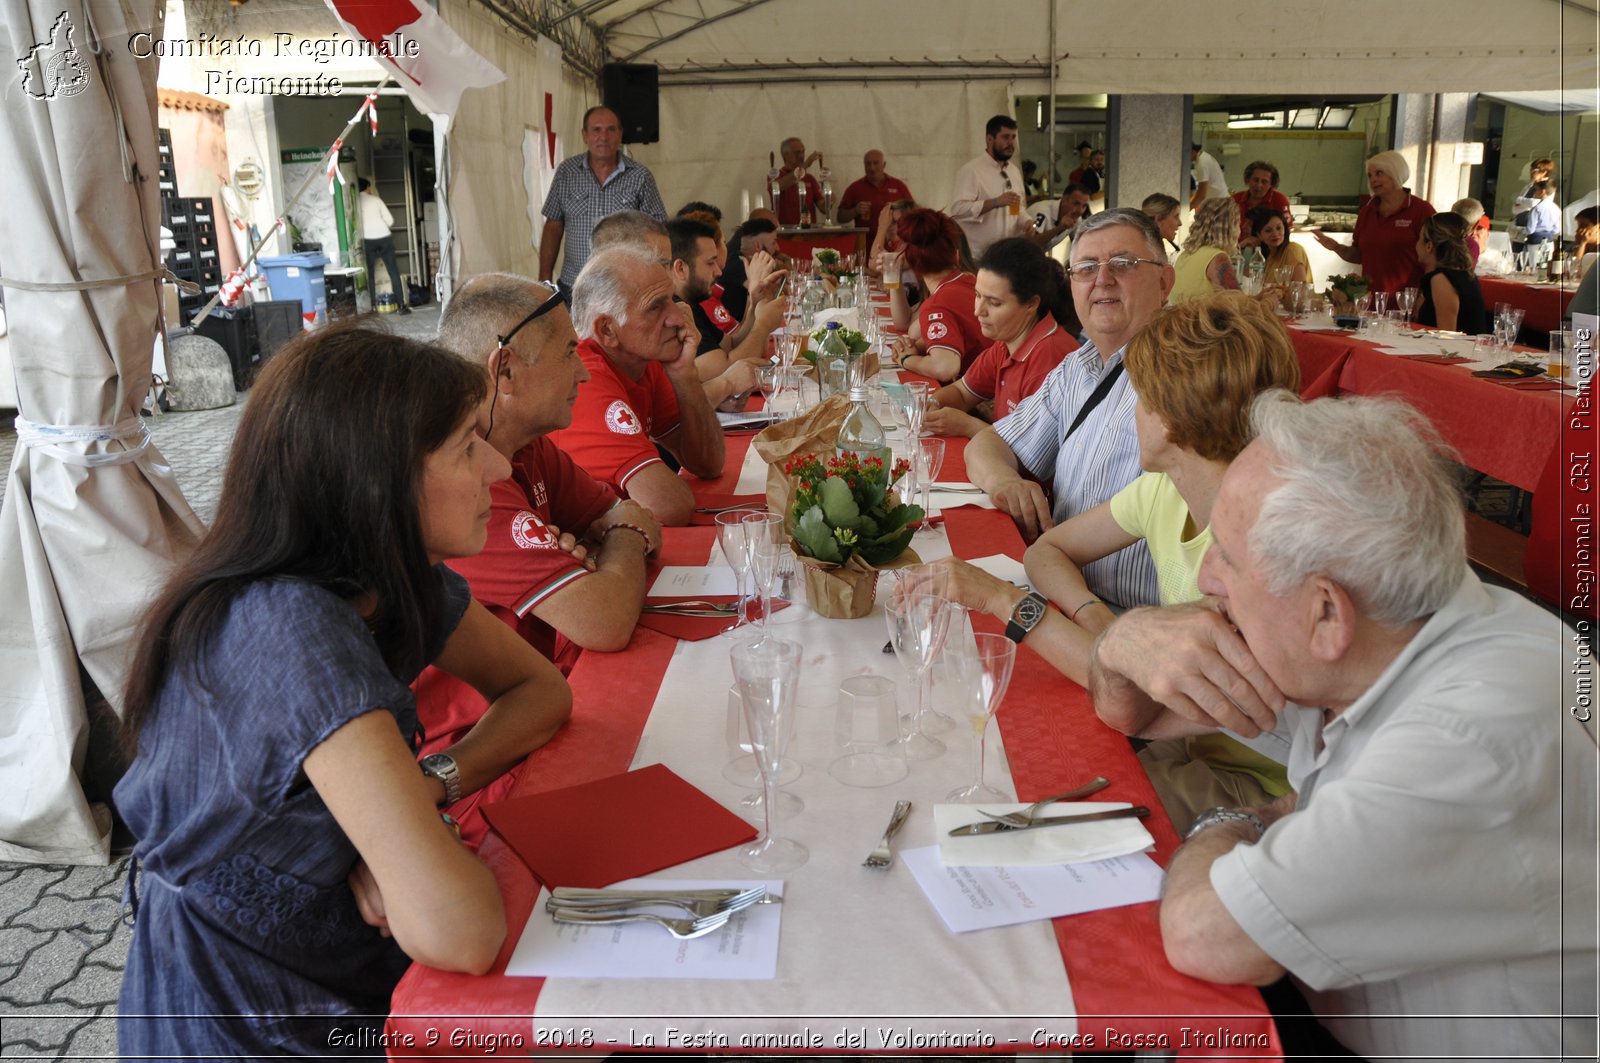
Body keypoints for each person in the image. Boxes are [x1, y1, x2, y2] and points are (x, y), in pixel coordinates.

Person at [1089, 390, 1595, 1062]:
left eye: (1229, 559)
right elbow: (1135, 711)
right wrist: (1124, 642)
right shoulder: (1370, 635)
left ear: (1327, 611)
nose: (1206, 578)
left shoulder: (1470, 738)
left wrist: (1231, 822)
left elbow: (1202, 932)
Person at [114, 326, 572, 1056]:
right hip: (252, 1018)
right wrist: (416, 844)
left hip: (332, 978)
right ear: (375, 479)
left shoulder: (394, 581)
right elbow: (461, 929)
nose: (494, 465)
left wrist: (426, 790)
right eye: (464, 445)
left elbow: (540, 689)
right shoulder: (293, 630)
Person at [933, 292, 1297, 703]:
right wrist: (1097, 617)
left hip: (1223, 761)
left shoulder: (1260, 542)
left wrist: (1001, 599)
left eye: (1140, 398)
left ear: (1170, 421)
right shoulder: (1166, 489)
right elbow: (1045, 552)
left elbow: (1133, 696)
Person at [413, 276, 661, 845]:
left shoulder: (527, 449)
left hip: (536, 723)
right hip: (488, 772)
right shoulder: (460, 490)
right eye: (570, 353)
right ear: (504, 370)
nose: (582, 371)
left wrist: (611, 541)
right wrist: (617, 540)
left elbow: (641, 515)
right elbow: (604, 618)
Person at [965, 207, 1175, 608]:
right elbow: (987, 444)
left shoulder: (1185, 374)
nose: (1103, 279)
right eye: (1086, 267)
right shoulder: (1077, 367)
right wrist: (1004, 483)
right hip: (1060, 588)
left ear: (1165, 282)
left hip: (1132, 619)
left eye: (1123, 264)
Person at [549, 246, 726, 526]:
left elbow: (708, 463)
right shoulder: (586, 378)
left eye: (671, 299)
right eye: (655, 307)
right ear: (607, 330)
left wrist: (685, 375)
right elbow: (669, 507)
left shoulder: (641, 359)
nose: (679, 318)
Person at [923, 237, 1080, 439]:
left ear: (1031, 304)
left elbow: (1033, 455)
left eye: (994, 303)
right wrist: (934, 404)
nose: (978, 311)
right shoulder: (1007, 342)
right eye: (978, 296)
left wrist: (968, 426)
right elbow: (962, 392)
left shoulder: (1050, 358)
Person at [539, 106, 668, 290]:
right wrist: (545, 278)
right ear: (585, 135)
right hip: (573, 285)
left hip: (623, 285)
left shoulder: (640, 176)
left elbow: (658, 230)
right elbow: (553, 225)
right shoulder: (567, 172)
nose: (604, 137)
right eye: (596, 130)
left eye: (610, 129)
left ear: (620, 134)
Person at [664, 216, 778, 401]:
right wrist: (764, 324)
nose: (718, 271)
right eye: (710, 263)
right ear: (680, 268)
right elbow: (725, 370)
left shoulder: (691, 304)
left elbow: (732, 344)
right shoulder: (675, 311)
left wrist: (755, 303)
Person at [880, 208, 987, 382]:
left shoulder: (939, 302)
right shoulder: (967, 280)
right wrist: (915, 346)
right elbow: (914, 330)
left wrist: (907, 360)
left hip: (982, 396)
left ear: (912, 262)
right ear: (956, 256)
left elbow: (945, 368)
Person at [1313, 149, 1434, 296]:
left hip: (1408, 301)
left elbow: (1435, 259)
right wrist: (1336, 247)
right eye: (1370, 175)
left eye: (1379, 173)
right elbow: (1359, 256)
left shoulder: (1421, 210)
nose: (1373, 180)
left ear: (1396, 172)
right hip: (1370, 300)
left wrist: (1424, 296)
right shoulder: (1367, 212)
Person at [949, 114, 1032, 260]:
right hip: (977, 257)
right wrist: (994, 203)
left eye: (1013, 137)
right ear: (989, 139)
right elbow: (958, 210)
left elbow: (1016, 208)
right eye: (1005, 137)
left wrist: (1027, 221)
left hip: (1007, 255)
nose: (1011, 143)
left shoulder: (1013, 171)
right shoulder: (971, 171)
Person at [1415, 212, 1489, 334]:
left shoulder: (1442, 279)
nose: (1416, 244)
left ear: (1429, 246)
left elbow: (1446, 335)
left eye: (1419, 239)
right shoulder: (1463, 274)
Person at [1168, 197, 1241, 304]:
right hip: (1199, 320)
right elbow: (1240, 303)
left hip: (1179, 318)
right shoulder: (1217, 258)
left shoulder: (1186, 254)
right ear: (1231, 226)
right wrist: (1268, 300)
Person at [357, 177, 410, 314]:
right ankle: (401, 306)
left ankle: (373, 307)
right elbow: (390, 220)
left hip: (367, 240)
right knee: (393, 271)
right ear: (368, 187)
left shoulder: (355, 202)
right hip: (384, 238)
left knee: (370, 274)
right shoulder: (376, 200)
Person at [836, 149, 914, 233]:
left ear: (884, 165)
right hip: (865, 242)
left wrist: (896, 212)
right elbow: (840, 217)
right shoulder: (854, 188)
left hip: (894, 240)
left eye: (876, 163)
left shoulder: (898, 185)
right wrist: (855, 210)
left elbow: (913, 211)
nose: (872, 168)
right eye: (868, 164)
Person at [1231, 161, 1294, 244]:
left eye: (1264, 182)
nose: (1258, 185)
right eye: (1255, 180)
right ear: (1248, 180)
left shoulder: (1279, 199)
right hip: (1239, 248)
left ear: (1271, 184)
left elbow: (1287, 230)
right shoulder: (1235, 199)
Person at [1246, 206, 1311, 287]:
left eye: (1278, 228)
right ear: (1259, 235)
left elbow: (1300, 287)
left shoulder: (1292, 249)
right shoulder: (1270, 257)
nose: (1275, 234)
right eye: (1268, 230)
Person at [1029, 183, 1092, 257]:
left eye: (1084, 206)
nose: (1080, 210)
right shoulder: (1042, 211)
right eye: (1076, 203)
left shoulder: (1076, 218)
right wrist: (1058, 229)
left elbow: (1078, 245)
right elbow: (1030, 244)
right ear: (1064, 200)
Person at [774, 136, 823, 226]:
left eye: (803, 151)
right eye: (797, 153)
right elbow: (778, 187)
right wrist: (805, 165)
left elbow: (822, 208)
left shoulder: (809, 178)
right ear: (785, 155)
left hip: (808, 232)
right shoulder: (776, 176)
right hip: (785, 232)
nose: (801, 155)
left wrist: (829, 201)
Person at [1450, 196, 1492, 265]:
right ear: (1475, 224)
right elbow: (1466, 274)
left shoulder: (1438, 235)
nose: (1474, 233)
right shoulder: (1471, 245)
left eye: (1479, 229)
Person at [1141, 192, 1184, 258]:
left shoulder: (1147, 248)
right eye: (1176, 216)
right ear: (1158, 219)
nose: (1180, 223)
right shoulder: (1145, 252)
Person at [1189, 142, 1229, 209]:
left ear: (1193, 151)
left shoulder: (1202, 164)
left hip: (1220, 203)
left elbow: (1201, 195)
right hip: (1218, 201)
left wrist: (1186, 210)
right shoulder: (1204, 157)